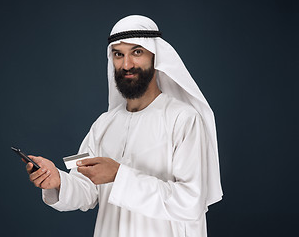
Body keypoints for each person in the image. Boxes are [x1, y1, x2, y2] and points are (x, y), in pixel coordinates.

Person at [25, 15, 223, 237]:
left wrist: (119, 175)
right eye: (119, 54)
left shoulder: (184, 119)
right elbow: (87, 188)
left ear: (155, 56)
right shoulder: (103, 124)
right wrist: (58, 180)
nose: (127, 64)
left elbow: (190, 202)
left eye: (137, 52)